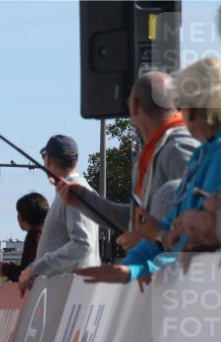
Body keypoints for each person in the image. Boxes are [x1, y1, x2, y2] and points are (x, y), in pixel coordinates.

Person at [80, 57, 221, 285]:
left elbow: (176, 231)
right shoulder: (200, 155)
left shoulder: (201, 154)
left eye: (181, 104)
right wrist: (131, 268)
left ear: (193, 109)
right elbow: (169, 227)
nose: (179, 112)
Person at [56, 71, 197, 247]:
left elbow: (201, 224)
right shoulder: (157, 151)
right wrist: (85, 199)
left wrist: (156, 237)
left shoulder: (177, 149)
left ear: (136, 106)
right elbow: (136, 222)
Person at [17, 136, 100, 292]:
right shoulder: (71, 191)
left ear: (47, 161)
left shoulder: (74, 193)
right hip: (69, 292)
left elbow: (82, 246)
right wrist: (32, 269)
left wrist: (37, 268)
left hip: (72, 294)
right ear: (76, 160)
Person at [0, 193, 49, 282]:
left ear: (21, 218)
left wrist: (4, 269)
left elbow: (25, 274)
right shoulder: (51, 232)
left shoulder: (34, 236)